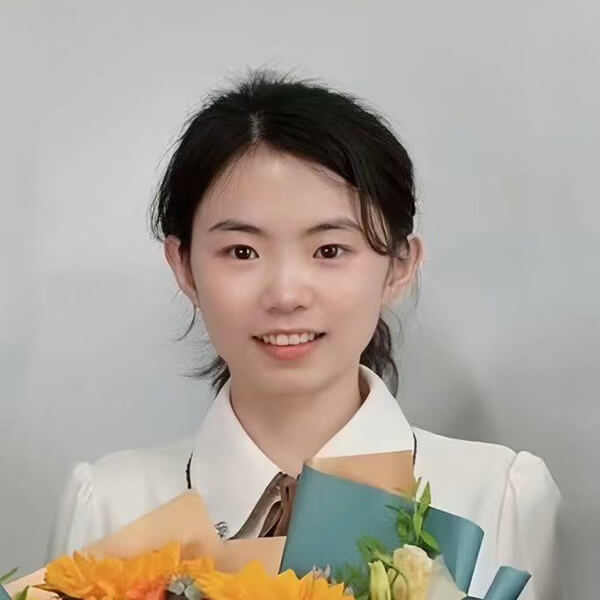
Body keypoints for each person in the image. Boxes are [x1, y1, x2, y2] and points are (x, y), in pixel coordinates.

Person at [46, 69, 562, 599]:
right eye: (242, 252)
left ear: (399, 266)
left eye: (329, 250)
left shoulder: (503, 497)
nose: (286, 294)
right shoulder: (109, 504)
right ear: (184, 267)